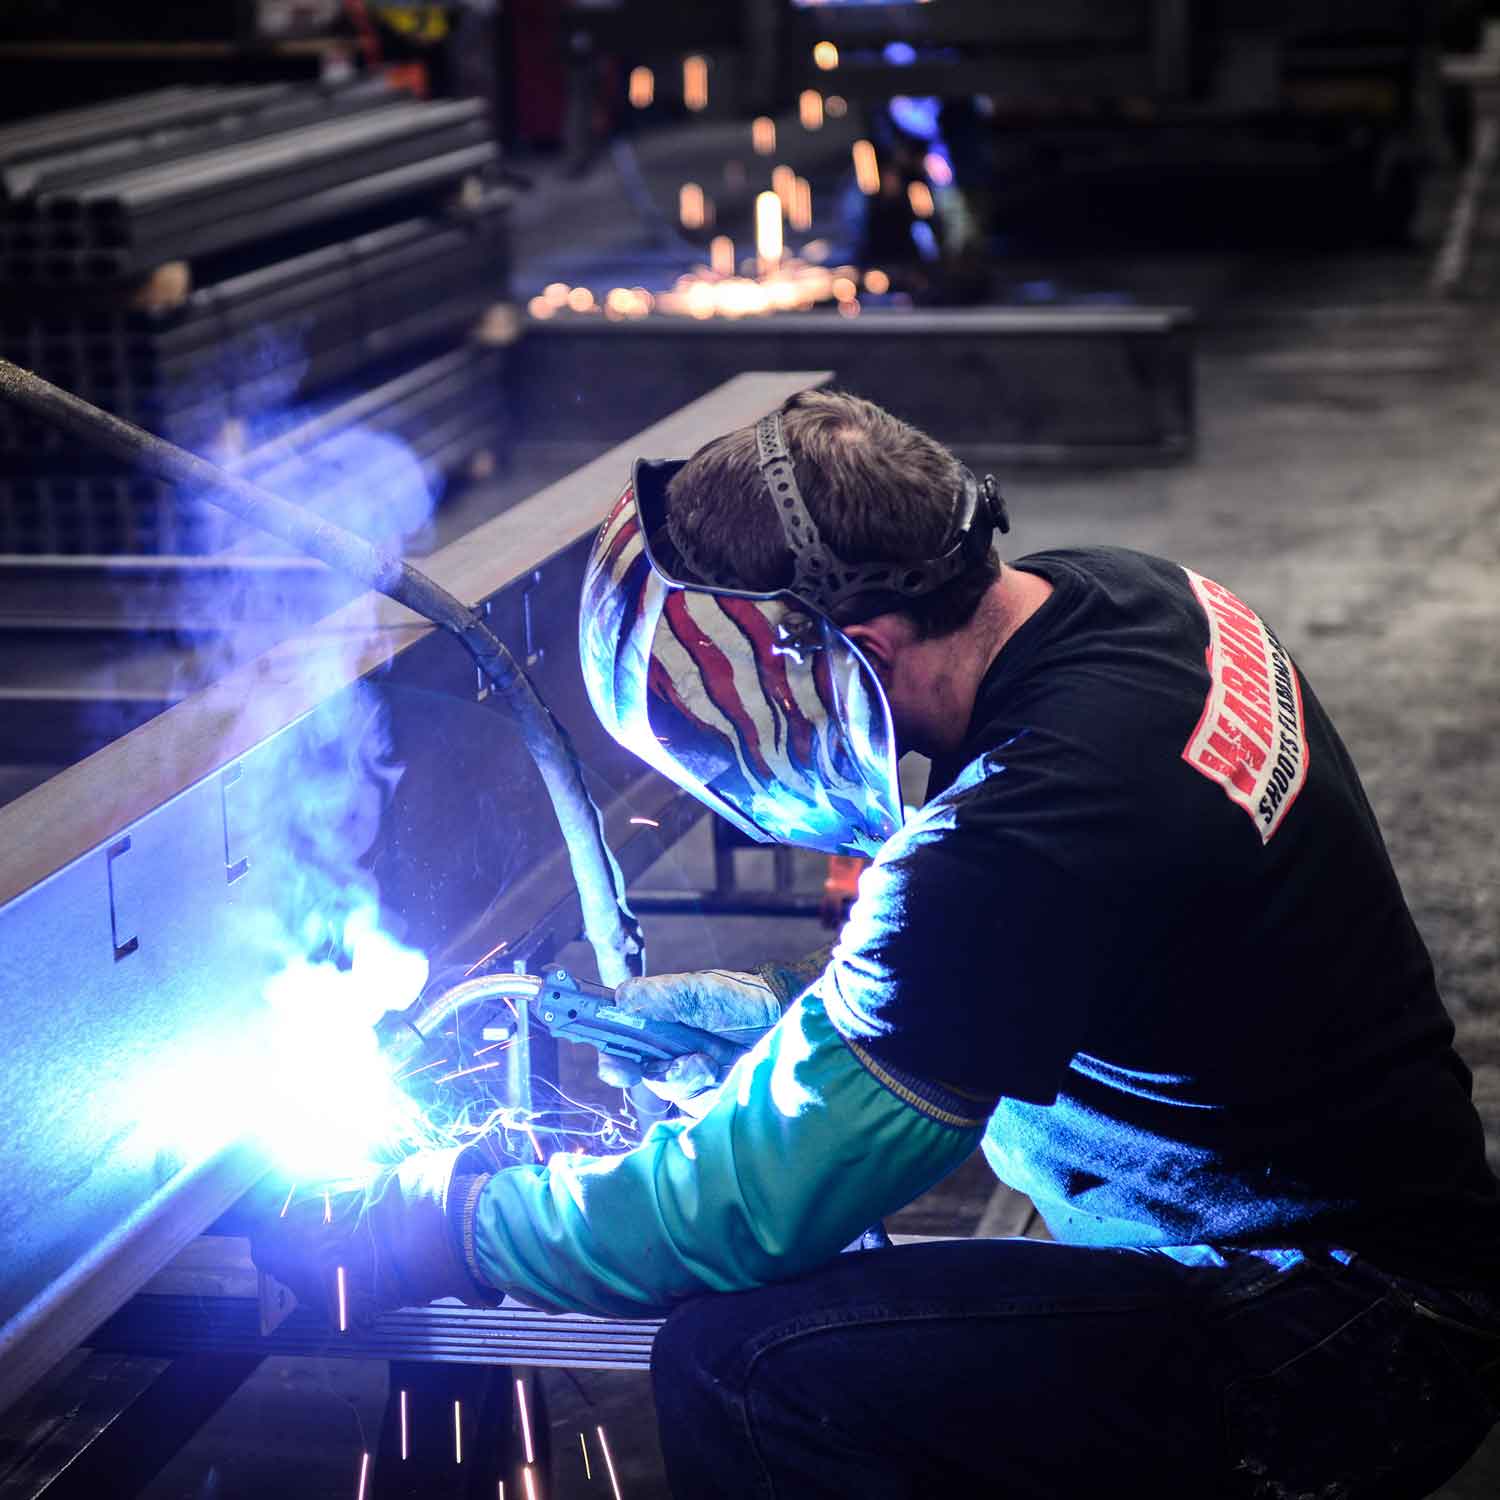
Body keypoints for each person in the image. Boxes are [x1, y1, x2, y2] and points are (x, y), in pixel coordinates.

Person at [261, 391, 1500, 1498]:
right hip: (1395, 1238)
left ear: (852, 650)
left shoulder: (1005, 841)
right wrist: (781, 1015)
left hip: (1336, 1339)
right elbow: (1043, 964)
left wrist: (445, 1216)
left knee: (749, 1367)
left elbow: (724, 1214)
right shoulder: (1133, 597)